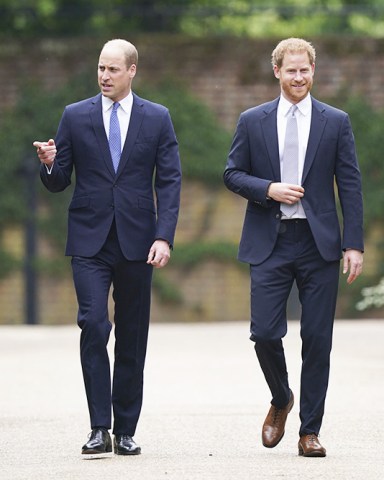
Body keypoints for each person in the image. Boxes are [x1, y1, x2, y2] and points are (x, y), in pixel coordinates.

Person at [33, 39, 181, 456]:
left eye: (113, 69)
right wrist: (49, 161)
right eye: (100, 68)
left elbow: (169, 182)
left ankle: (126, 429)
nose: (104, 76)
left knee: (132, 337)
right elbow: (60, 178)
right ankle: (99, 427)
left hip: (139, 241)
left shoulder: (158, 118)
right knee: (94, 325)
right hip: (89, 239)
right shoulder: (75, 116)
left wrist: (164, 235)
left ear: (132, 70)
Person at [223, 37, 363, 457]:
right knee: (264, 332)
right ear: (277, 72)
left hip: (320, 244)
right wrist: (267, 188)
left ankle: (310, 432)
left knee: (318, 340)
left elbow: (351, 186)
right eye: (291, 70)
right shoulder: (253, 120)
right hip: (271, 241)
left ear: (312, 72)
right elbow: (232, 174)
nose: (298, 77)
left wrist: (353, 244)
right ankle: (281, 396)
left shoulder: (335, 121)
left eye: (305, 70)